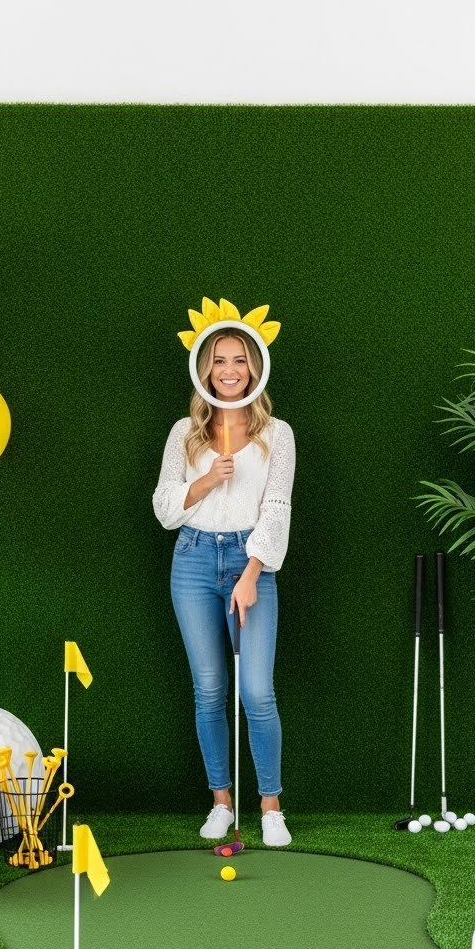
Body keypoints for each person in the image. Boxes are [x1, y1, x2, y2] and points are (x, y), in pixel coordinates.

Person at [152, 311, 296, 847]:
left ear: (254, 369)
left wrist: (252, 571)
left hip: (249, 559)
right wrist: (208, 478)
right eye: (219, 361)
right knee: (209, 689)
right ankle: (220, 801)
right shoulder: (184, 435)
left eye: (239, 360)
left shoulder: (276, 435)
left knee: (257, 692)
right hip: (191, 561)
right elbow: (166, 509)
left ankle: (271, 806)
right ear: (205, 371)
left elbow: (277, 506)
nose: (229, 370)